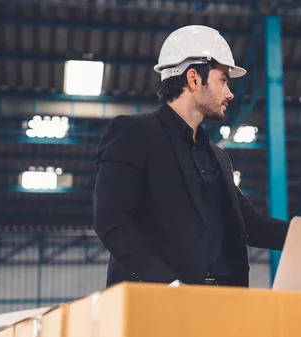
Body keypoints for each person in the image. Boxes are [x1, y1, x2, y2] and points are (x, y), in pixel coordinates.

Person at [93, 25, 289, 288]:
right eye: (223, 80)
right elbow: (112, 221)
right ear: (194, 78)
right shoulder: (133, 134)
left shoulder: (217, 156)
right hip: (156, 307)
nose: (229, 93)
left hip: (219, 304)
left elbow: (251, 226)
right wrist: (170, 285)